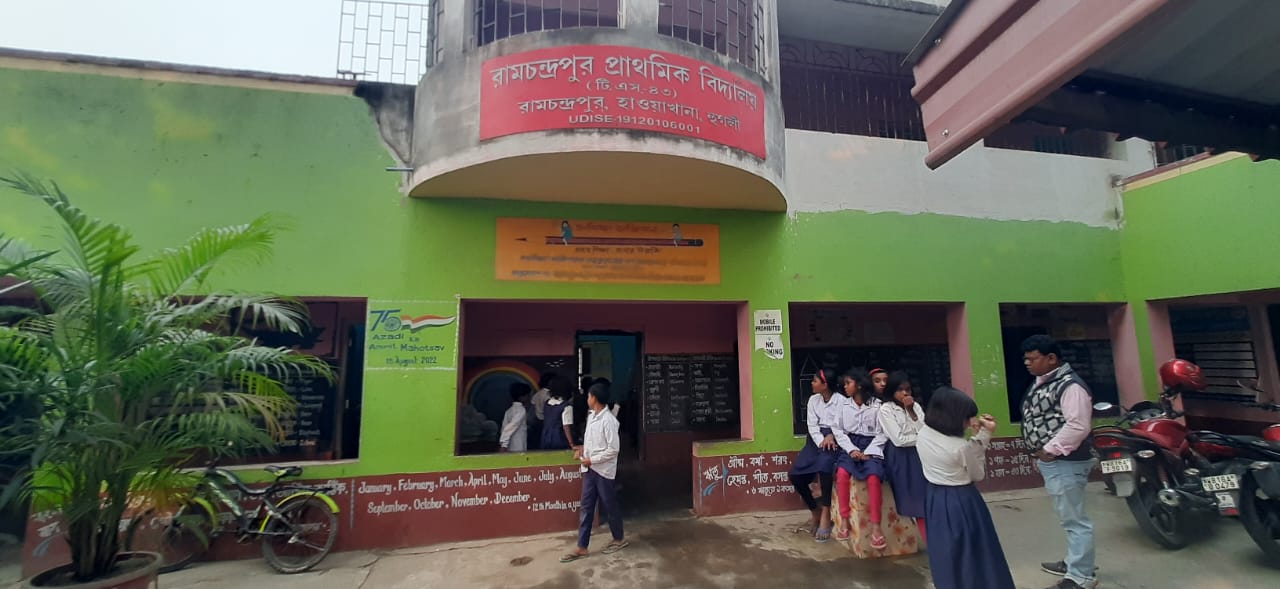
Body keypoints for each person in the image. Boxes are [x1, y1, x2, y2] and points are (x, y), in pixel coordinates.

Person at [917, 386, 1015, 589]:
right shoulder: (959, 447)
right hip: (961, 500)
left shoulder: (924, 433)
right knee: (975, 555)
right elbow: (977, 473)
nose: (971, 421)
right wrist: (983, 435)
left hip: (935, 497)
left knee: (946, 552)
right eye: (967, 417)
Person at [1021, 335, 1097, 589]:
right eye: (1026, 359)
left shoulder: (1070, 386)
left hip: (1066, 462)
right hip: (1055, 462)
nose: (1027, 363)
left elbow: (1078, 425)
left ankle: (1081, 576)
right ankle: (1073, 561)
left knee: (1075, 520)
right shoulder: (1044, 382)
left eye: (1032, 358)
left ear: (1051, 358)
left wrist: (1049, 450)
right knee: (1069, 517)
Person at [561, 383, 628, 562]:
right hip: (590, 469)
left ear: (595, 398)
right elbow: (592, 441)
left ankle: (618, 538)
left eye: (589, 396)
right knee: (586, 506)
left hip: (603, 471)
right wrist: (583, 450)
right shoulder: (592, 416)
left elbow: (613, 449)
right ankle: (582, 546)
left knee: (609, 504)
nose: (587, 399)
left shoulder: (609, 421)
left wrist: (593, 460)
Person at [832, 369, 888, 546]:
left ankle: (876, 526)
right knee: (841, 475)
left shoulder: (878, 406)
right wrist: (851, 450)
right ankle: (845, 519)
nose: (845, 387)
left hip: (872, 446)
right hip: (850, 445)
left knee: (873, 477)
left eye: (848, 383)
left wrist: (869, 452)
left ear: (860, 385)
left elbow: (883, 433)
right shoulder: (842, 406)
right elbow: (838, 430)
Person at [788, 368, 842, 541]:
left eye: (815, 381)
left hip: (835, 440)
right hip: (815, 440)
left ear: (825, 385)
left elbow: (842, 424)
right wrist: (821, 440)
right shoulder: (813, 400)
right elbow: (811, 425)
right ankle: (814, 510)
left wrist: (831, 436)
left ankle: (826, 512)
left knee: (825, 468)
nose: (812, 383)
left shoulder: (841, 401)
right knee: (796, 475)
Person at [878, 370, 928, 542]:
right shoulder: (886, 410)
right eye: (901, 390)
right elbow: (898, 440)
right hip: (900, 457)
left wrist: (912, 412)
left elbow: (924, 429)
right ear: (892, 391)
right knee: (910, 501)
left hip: (920, 455)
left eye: (908, 389)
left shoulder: (916, 407)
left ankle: (931, 539)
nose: (905, 393)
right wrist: (920, 438)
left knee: (925, 501)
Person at [499, 383, 531, 453]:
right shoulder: (521, 410)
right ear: (521, 397)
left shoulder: (509, 410)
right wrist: (504, 444)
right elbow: (511, 426)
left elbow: (504, 427)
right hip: (518, 446)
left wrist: (504, 443)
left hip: (510, 445)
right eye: (527, 395)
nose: (529, 397)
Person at [528, 372, 556, 450]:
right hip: (546, 421)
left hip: (537, 421)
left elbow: (532, 408)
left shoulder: (537, 394)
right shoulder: (549, 395)